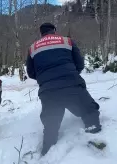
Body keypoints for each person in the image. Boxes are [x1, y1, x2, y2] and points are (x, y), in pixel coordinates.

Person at [26, 23, 102, 156]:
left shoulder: (33, 48)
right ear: (54, 31)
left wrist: (45, 80)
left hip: (49, 91)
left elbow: (31, 73)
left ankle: (47, 151)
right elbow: (80, 63)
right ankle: (95, 138)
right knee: (89, 112)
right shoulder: (67, 41)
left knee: (51, 124)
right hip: (72, 85)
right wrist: (71, 75)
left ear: (41, 33)